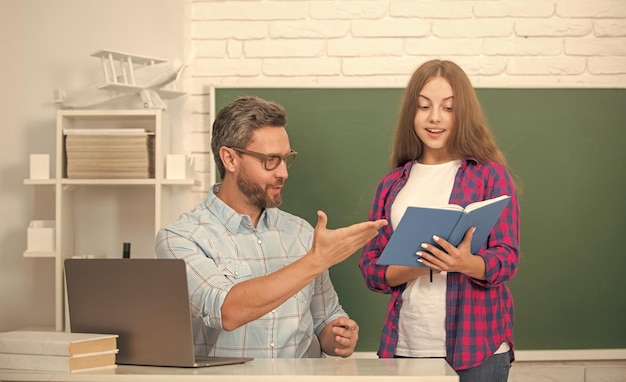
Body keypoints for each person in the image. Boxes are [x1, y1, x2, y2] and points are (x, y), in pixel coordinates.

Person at [156, 96, 387, 359]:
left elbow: (325, 318)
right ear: (230, 159)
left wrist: (338, 335)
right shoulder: (180, 238)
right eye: (270, 160)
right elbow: (226, 311)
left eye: (286, 159)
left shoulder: (301, 232)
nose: (283, 173)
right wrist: (315, 261)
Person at [358, 60, 520, 381]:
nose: (435, 117)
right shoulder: (391, 184)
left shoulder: (489, 175)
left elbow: (507, 259)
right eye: (423, 106)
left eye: (448, 108)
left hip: (478, 349)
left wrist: (464, 262)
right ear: (411, 114)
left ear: (464, 114)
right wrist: (418, 266)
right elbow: (371, 269)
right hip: (406, 345)